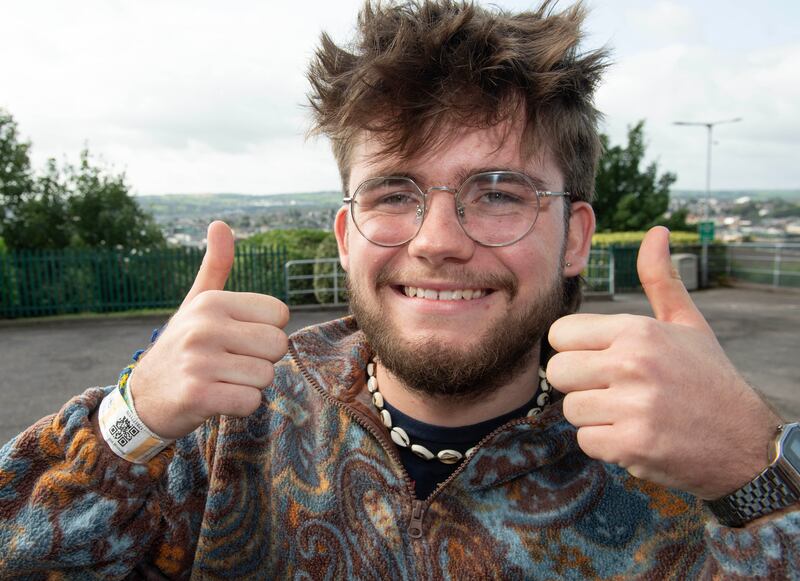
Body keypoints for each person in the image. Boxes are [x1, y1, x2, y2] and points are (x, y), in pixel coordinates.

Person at [1, 1, 798, 578]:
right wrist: (128, 420)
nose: (441, 240)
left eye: (498, 192)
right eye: (392, 193)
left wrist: (755, 471)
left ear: (577, 237)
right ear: (347, 238)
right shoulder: (221, 430)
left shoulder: (689, 461)